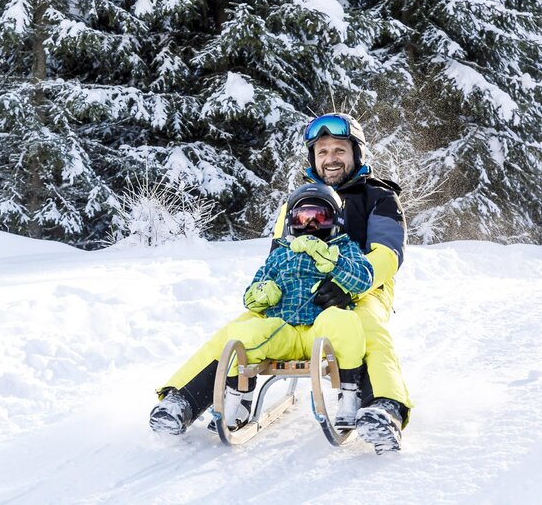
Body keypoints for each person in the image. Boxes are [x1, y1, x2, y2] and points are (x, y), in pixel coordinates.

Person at [150, 113, 412, 454]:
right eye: (322, 151)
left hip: (364, 288)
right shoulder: (298, 201)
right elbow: (278, 253)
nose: (330, 158)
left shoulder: (379, 197)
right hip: (297, 288)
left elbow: (388, 255)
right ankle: (181, 400)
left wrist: (348, 285)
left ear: (355, 153)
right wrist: (267, 292)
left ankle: (385, 408)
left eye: (339, 150)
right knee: (242, 326)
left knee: (367, 328)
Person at [149, 183, 375, 436]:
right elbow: (251, 293)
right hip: (283, 331)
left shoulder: (344, 248)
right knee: (243, 333)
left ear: (334, 221)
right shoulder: (280, 254)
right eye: (304, 218)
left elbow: (365, 278)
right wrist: (262, 293)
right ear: (292, 222)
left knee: (344, 321)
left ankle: (349, 397)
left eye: (319, 218)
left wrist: (333, 260)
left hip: (321, 330)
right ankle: (240, 399)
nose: (310, 225)